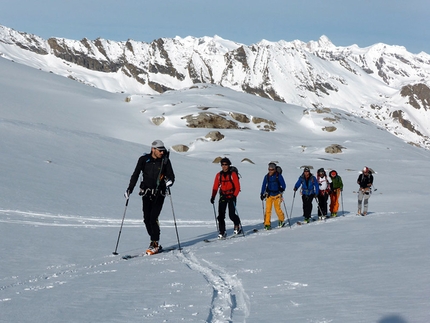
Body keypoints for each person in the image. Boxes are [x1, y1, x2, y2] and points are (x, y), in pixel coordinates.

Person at [125, 140, 175, 255]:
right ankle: (154, 240)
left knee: (153, 217)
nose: (162, 152)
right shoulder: (144, 160)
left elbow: (171, 176)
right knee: (146, 219)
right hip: (146, 193)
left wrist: (170, 182)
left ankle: (154, 243)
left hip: (160, 193)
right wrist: (129, 189)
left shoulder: (165, 161)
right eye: (160, 150)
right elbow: (136, 174)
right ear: (153, 149)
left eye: (163, 150)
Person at [210, 157, 242, 238]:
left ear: (228, 165)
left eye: (226, 164)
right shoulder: (218, 175)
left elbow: (237, 187)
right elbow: (215, 186)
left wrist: (234, 196)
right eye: (222, 165)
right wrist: (213, 196)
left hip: (232, 196)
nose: (224, 166)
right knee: (220, 216)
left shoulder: (233, 174)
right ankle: (222, 231)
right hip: (223, 196)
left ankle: (237, 224)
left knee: (231, 215)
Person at [260, 162, 286, 230]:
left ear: (274, 170)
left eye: (271, 170)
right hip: (269, 195)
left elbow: (283, 185)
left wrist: (282, 189)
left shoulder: (278, 176)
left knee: (277, 209)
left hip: (277, 195)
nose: (270, 171)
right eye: (269, 169)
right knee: (268, 210)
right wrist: (262, 193)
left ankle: (281, 220)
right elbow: (264, 185)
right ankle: (267, 224)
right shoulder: (267, 176)